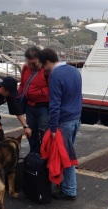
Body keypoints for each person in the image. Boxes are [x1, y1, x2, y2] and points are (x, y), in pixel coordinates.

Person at [39, 48, 82, 200]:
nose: (44, 70)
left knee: (66, 157)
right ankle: (66, 186)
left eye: (44, 66)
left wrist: (52, 128)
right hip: (76, 119)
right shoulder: (74, 70)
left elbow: (54, 104)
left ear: (47, 62)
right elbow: (78, 96)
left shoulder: (55, 75)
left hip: (64, 122)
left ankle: (70, 190)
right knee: (70, 154)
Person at [19, 47, 50, 153]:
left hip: (44, 106)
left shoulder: (46, 70)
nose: (31, 65)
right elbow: (22, 85)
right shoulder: (25, 68)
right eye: (29, 62)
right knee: (31, 133)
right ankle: (34, 155)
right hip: (30, 106)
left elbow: (53, 87)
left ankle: (45, 156)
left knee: (45, 132)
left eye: (33, 63)